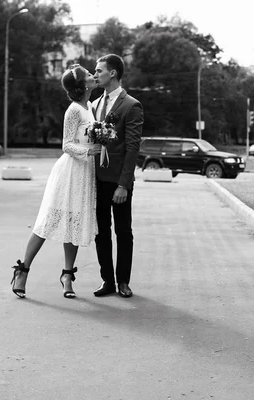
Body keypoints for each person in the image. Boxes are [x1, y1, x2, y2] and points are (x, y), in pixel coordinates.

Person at [10, 65, 101, 299]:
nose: (93, 75)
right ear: (81, 85)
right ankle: (23, 271)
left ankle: (67, 276)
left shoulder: (89, 106)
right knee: (48, 221)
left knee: (74, 222)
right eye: (88, 75)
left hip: (84, 175)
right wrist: (89, 151)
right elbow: (66, 144)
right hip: (70, 171)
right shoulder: (73, 110)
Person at [91, 54, 144, 298]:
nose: (96, 74)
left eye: (99, 70)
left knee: (123, 231)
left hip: (119, 182)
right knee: (101, 231)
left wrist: (124, 184)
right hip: (97, 179)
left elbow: (132, 147)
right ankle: (107, 281)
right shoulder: (94, 103)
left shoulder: (131, 105)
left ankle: (123, 281)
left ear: (112, 73)